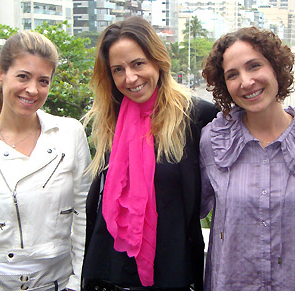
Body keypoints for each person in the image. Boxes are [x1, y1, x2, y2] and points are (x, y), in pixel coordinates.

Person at [200, 26, 295, 290]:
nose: (246, 82)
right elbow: (186, 210)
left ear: (276, 68)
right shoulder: (213, 142)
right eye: (232, 75)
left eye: (254, 66)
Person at [82, 16, 218, 291]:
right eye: (118, 69)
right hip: (109, 274)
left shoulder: (197, 117)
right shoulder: (112, 117)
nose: (129, 78)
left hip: (172, 274)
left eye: (138, 64)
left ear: (157, 60)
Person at [0, 31, 91, 291]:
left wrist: (77, 281)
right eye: (23, 76)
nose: (33, 89)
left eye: (43, 81)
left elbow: (83, 214)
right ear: (1, 73)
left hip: (57, 283)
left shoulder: (70, 134)